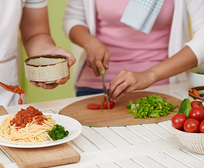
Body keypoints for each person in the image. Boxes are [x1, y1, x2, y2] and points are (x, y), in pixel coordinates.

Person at [63, 0, 204, 102]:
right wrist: (89, 42)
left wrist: (149, 75)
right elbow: (74, 17)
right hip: (96, 86)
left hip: (162, 86)